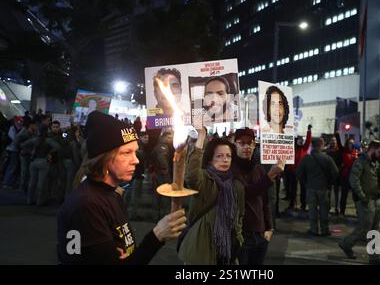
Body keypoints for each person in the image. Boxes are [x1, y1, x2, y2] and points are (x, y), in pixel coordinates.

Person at [57, 111, 186, 264]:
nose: (136, 160)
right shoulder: (86, 205)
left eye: (135, 151)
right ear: (105, 158)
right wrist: (157, 236)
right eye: (126, 153)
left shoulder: (112, 194)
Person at [178, 128, 245, 265]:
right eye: (219, 156)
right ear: (209, 159)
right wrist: (201, 135)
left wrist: (238, 238)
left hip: (226, 250)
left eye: (228, 156)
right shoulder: (205, 178)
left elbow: (240, 214)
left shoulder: (236, 185)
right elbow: (191, 176)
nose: (225, 159)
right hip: (200, 248)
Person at [231, 127, 285, 265]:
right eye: (241, 143)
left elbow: (265, 201)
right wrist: (271, 175)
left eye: (250, 143)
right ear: (234, 144)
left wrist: (270, 227)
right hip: (239, 234)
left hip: (260, 234)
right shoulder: (230, 169)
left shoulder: (259, 168)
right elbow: (245, 193)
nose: (246, 147)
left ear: (255, 145)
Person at [338, 140, 380, 265]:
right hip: (365, 200)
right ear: (372, 149)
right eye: (379, 151)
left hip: (375, 198)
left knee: (375, 228)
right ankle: (346, 243)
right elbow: (353, 180)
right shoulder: (360, 162)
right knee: (365, 227)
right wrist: (362, 196)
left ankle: (374, 257)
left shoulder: (374, 162)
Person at [297, 137, 339, 236]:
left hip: (311, 187)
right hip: (323, 188)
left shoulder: (307, 158)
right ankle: (325, 230)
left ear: (313, 145)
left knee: (312, 210)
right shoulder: (327, 158)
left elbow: (298, 172)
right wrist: (329, 182)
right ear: (321, 145)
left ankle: (313, 229)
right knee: (324, 210)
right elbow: (336, 172)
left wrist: (306, 182)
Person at [286, 125, 312, 211]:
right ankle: (292, 203)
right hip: (294, 172)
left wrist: (309, 131)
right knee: (293, 189)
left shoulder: (304, 148)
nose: (300, 142)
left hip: (302, 172)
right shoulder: (292, 149)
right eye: (299, 140)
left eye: (301, 140)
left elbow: (308, 140)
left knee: (303, 189)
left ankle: (303, 205)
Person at [326, 135, 343, 215]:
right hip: (329, 175)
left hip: (337, 174)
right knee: (328, 192)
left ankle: (337, 207)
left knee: (337, 192)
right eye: (332, 140)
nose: (333, 142)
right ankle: (328, 207)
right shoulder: (328, 151)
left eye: (335, 140)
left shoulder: (339, 151)